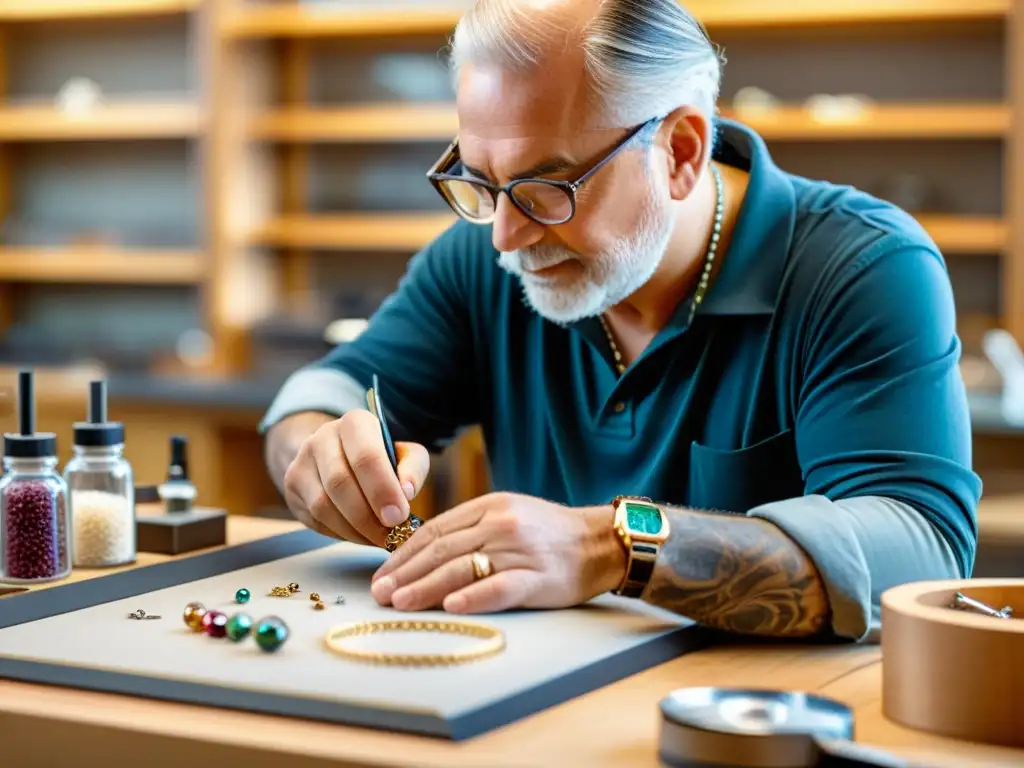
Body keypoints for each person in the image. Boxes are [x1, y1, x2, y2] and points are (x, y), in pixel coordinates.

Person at [260, 0, 980, 643]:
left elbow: (922, 552)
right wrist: (317, 452)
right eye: (479, 180)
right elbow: (329, 390)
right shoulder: (482, 261)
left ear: (681, 152)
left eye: (548, 185)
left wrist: (610, 546)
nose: (507, 235)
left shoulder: (862, 267)